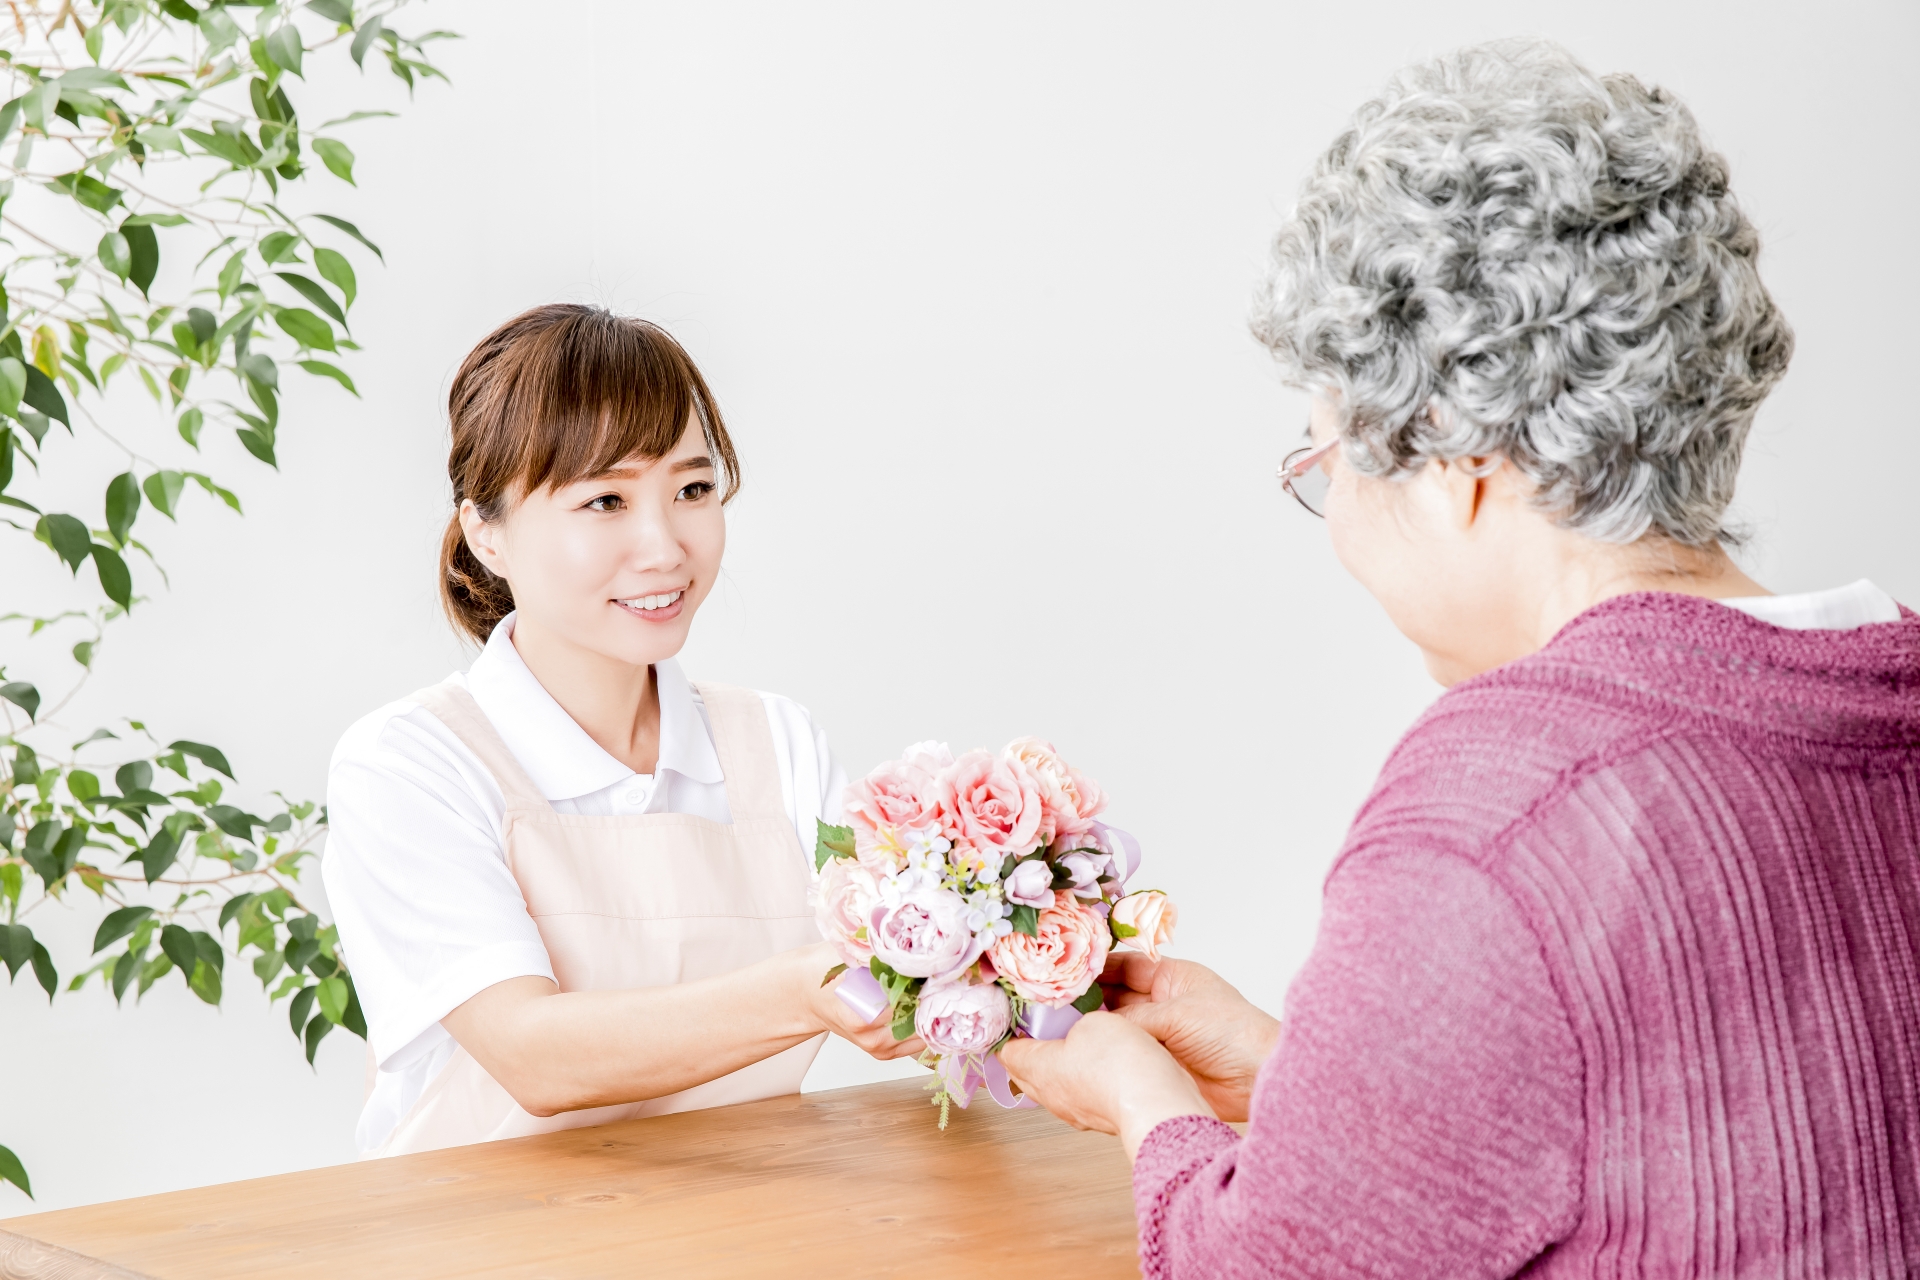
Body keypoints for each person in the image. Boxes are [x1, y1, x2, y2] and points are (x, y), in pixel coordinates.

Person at [1000, 40, 1919, 1278]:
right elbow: (1695, 1149)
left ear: (1451, 466)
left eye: (1324, 466)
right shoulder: (1881, 697)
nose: (1332, 515)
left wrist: (1138, 1102)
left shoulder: (1503, 809)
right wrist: (1292, 1077)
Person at [322, 304, 915, 1158]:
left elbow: (911, 964)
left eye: (693, 490)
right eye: (605, 499)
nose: (664, 546)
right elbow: (534, 1056)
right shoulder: (410, 763)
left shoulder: (776, 742)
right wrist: (815, 989)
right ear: (486, 532)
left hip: (739, 1224)